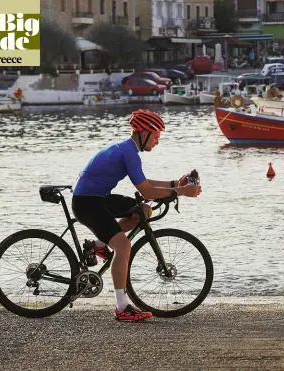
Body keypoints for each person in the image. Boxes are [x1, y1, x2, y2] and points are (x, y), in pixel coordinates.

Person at [71, 109, 202, 321]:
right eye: (156, 136)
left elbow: (145, 184)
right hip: (88, 203)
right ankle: (122, 307)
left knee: (143, 210)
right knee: (123, 246)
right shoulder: (128, 152)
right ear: (143, 133)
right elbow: (147, 192)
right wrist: (182, 192)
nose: (158, 142)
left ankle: (97, 245)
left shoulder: (128, 149)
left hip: (97, 198)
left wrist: (173, 185)